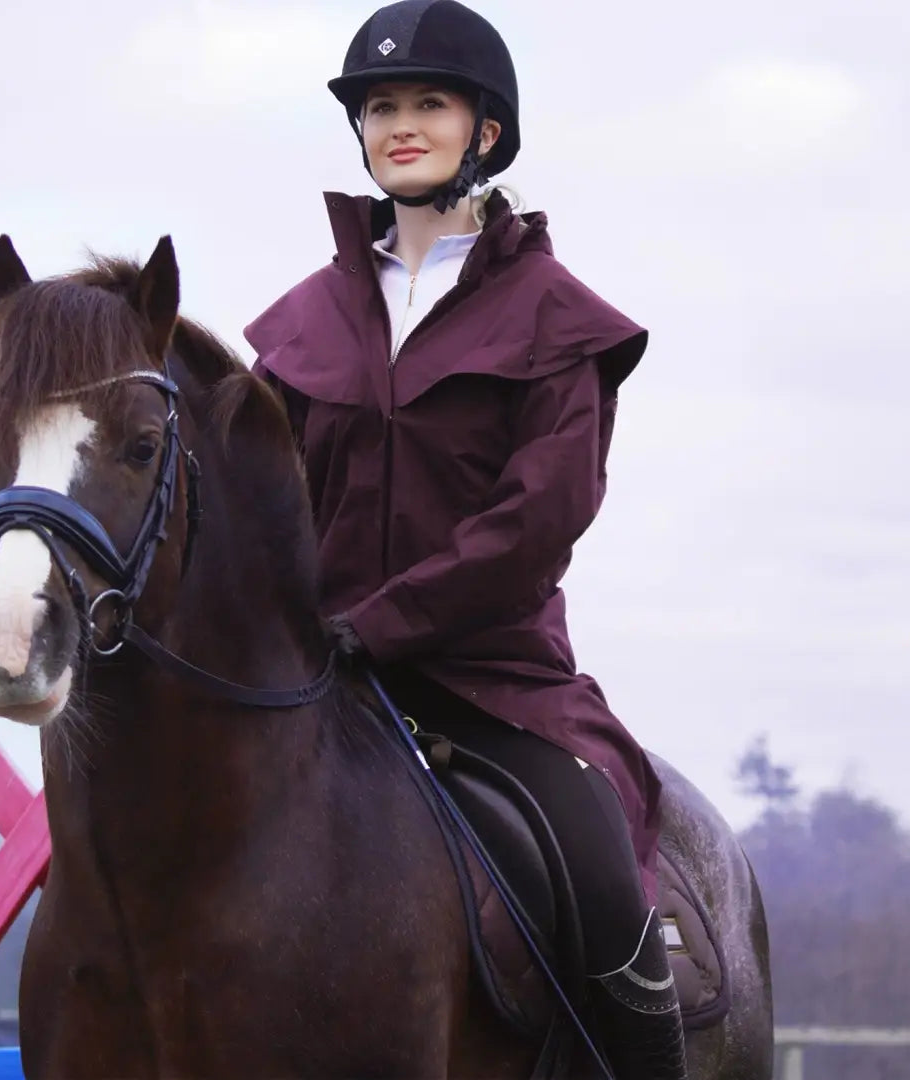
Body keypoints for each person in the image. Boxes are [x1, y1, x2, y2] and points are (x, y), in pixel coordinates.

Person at [245, 2, 688, 1076]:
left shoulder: (556, 317)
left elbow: (541, 518)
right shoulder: (302, 321)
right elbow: (257, 501)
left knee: (600, 880)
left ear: (483, 130)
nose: (400, 125)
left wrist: (381, 625)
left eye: (427, 104)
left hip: (494, 683)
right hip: (315, 683)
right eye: (381, 107)